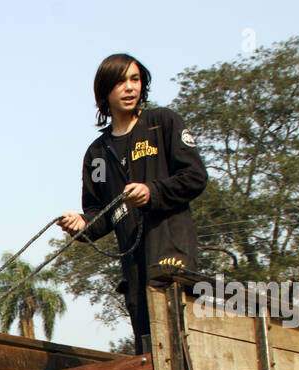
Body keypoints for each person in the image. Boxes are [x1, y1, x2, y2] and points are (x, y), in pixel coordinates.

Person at [58, 54, 207, 353]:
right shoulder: (97, 154)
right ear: (104, 92)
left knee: (178, 342)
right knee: (147, 346)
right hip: (133, 268)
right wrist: (81, 224)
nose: (129, 88)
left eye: (135, 80)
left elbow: (195, 176)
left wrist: (153, 192)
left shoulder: (162, 124)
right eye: (120, 81)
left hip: (171, 252)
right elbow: (101, 213)